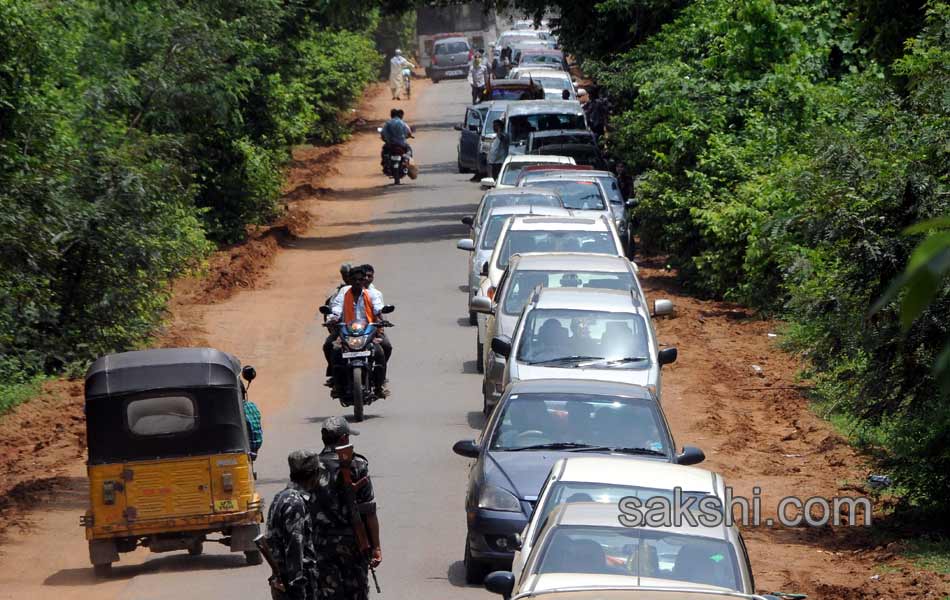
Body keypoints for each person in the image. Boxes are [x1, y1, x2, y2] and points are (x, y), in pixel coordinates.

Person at [311, 417, 381, 600]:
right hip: (354, 543)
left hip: (320, 545)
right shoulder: (358, 465)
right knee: (356, 594)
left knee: (326, 593)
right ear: (343, 439)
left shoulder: (310, 467)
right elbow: (369, 511)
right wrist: (376, 547)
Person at [265, 450, 320, 600]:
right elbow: (295, 547)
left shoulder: (281, 497)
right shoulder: (295, 503)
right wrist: (297, 588)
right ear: (313, 474)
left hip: (281, 580)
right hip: (294, 585)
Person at [326, 266, 388, 397]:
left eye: (360, 279)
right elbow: (336, 307)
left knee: (383, 349)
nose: (358, 282)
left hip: (368, 331)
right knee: (331, 348)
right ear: (349, 280)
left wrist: (382, 315)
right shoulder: (343, 292)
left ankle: (380, 384)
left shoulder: (372, 293)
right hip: (345, 330)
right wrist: (333, 318)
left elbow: (378, 307)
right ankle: (336, 383)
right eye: (354, 279)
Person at [361, 264, 392, 365]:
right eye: (364, 276)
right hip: (352, 330)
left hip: (372, 329)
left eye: (369, 276)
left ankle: (380, 373)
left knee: (387, 346)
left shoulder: (376, 294)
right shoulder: (346, 291)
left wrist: (382, 322)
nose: (366, 278)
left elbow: (380, 310)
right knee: (332, 347)